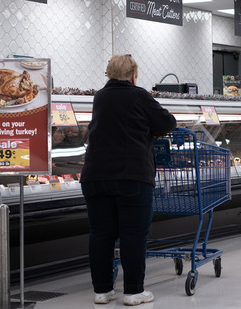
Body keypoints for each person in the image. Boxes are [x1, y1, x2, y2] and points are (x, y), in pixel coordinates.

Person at [81, 54, 177, 306]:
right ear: (134, 75)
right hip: (131, 176)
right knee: (133, 234)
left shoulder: (100, 96)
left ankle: (101, 291)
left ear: (108, 74)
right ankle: (134, 292)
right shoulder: (139, 95)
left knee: (100, 233)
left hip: (95, 175)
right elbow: (166, 122)